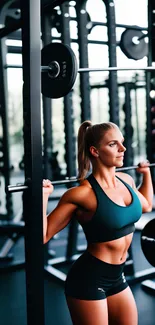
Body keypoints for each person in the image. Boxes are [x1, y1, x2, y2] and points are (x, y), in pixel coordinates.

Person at [43, 121, 153, 325]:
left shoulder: (126, 181)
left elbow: (146, 205)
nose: (123, 148)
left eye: (121, 142)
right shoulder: (81, 194)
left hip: (117, 276)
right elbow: (43, 235)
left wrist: (146, 176)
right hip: (89, 279)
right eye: (113, 144)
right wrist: (43, 198)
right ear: (95, 151)